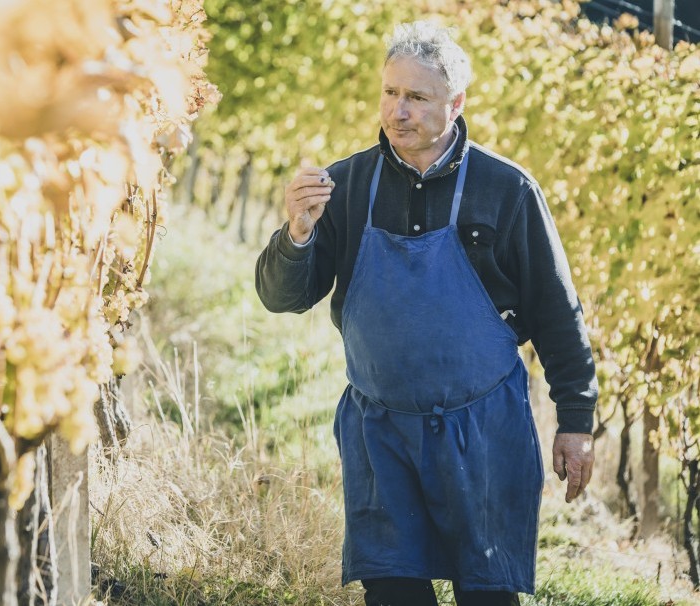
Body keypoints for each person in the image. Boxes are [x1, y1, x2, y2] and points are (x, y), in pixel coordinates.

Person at [254, 21, 597, 606]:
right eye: (390, 93)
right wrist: (298, 233)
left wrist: (577, 419)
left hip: (483, 430)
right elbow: (282, 297)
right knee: (391, 589)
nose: (399, 110)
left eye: (417, 97)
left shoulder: (507, 189)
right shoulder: (346, 184)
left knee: (487, 595)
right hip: (379, 429)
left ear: (455, 102)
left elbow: (556, 311)